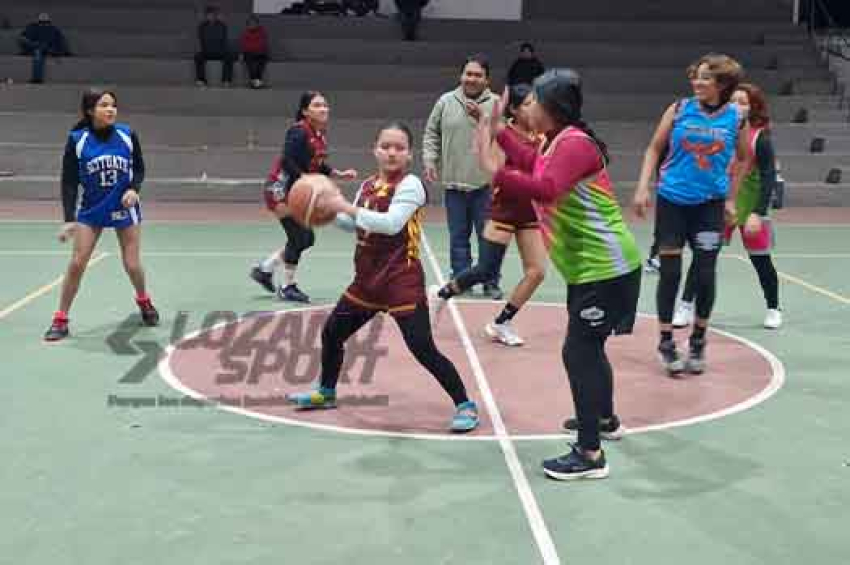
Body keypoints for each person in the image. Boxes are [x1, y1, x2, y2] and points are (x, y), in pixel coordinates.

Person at [477, 70, 641, 479]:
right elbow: (533, 161)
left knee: (579, 352)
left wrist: (495, 171)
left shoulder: (576, 144)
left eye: (532, 101)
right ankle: (604, 421)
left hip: (605, 267)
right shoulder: (554, 142)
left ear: (552, 108)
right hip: (590, 268)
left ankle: (590, 455)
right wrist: (498, 132)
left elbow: (546, 186)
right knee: (590, 348)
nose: (525, 107)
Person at [287, 122, 479, 433]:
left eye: (399, 148)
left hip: (400, 280)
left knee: (422, 347)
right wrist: (321, 212)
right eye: (386, 146)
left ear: (409, 154)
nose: (392, 152)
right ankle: (326, 391)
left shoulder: (411, 185)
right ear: (375, 149)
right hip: (367, 279)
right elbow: (357, 224)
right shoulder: (367, 185)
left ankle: (465, 404)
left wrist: (343, 205)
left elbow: (390, 224)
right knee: (332, 333)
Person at [633, 53, 749, 376]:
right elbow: (654, 148)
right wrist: (643, 187)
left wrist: (730, 199)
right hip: (672, 201)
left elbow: (743, 159)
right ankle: (666, 341)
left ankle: (698, 341)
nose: (697, 82)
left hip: (709, 206)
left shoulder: (736, 118)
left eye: (706, 78)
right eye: (696, 76)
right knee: (670, 273)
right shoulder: (679, 109)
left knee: (704, 271)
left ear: (723, 84)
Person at [431, 84, 547, 346]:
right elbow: (494, 172)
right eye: (528, 104)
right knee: (486, 270)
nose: (534, 108)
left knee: (537, 271)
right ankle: (441, 294)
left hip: (529, 211)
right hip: (504, 210)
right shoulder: (505, 134)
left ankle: (501, 323)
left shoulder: (541, 136)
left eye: (536, 103)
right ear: (514, 110)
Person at [44, 89, 158, 341]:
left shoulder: (127, 135)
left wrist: (133, 189)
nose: (111, 110)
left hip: (124, 207)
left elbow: (138, 168)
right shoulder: (78, 139)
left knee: (132, 264)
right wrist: (68, 218)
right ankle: (61, 319)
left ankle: (144, 300)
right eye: (104, 105)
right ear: (90, 111)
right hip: (92, 208)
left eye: (113, 105)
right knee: (77, 263)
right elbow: (69, 181)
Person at [673, 83, 782, 330]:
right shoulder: (719, 130)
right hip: (719, 204)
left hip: (751, 206)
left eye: (743, 102)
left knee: (761, 261)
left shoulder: (759, 137)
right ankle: (686, 305)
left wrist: (758, 212)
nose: (737, 107)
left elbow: (768, 177)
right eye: (733, 101)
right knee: (703, 255)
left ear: (754, 107)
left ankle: (773, 308)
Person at [250, 91, 357, 303]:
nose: (323, 109)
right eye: (317, 105)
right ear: (305, 111)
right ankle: (287, 286)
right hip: (280, 190)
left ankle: (265, 269)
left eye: (325, 105)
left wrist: (337, 174)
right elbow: (288, 160)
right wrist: (310, 184)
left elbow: (316, 163)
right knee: (300, 237)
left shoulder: (318, 134)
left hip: (297, 190)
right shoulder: (298, 132)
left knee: (304, 238)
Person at [423, 54, 503, 298]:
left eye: (478, 75)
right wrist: (429, 159)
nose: (472, 78)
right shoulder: (445, 102)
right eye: (468, 73)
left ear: (487, 79)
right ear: (461, 76)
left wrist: (483, 119)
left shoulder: (497, 103)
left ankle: (491, 281)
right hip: (454, 184)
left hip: (486, 186)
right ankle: (461, 280)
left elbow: (508, 137)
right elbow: (431, 134)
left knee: (488, 237)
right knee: (458, 238)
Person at [17, 12, 70, 84]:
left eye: (45, 23)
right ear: (38, 22)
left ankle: (37, 78)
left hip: (49, 49)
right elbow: (22, 38)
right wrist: (34, 44)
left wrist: (58, 52)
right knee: (38, 53)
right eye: (42, 22)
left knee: (39, 52)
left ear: (48, 22)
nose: (43, 24)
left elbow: (60, 41)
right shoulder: (32, 27)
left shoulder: (53, 29)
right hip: (35, 48)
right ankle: (37, 79)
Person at [194, 5, 234, 87]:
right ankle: (201, 80)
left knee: (229, 56)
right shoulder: (202, 26)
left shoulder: (222, 25)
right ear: (206, 16)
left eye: (213, 14)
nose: (211, 16)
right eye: (209, 15)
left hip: (219, 51)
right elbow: (202, 40)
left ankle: (226, 80)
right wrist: (205, 49)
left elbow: (223, 40)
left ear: (216, 15)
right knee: (198, 57)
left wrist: (222, 49)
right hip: (207, 52)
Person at [239, 15, 269, 89]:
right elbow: (243, 45)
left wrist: (253, 48)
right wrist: (242, 53)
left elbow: (262, 44)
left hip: (260, 52)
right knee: (250, 64)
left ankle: (257, 81)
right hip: (249, 53)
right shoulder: (245, 33)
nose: (252, 25)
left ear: (257, 24)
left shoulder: (262, 32)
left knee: (261, 63)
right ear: (248, 25)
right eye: (250, 24)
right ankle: (255, 82)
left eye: (254, 23)